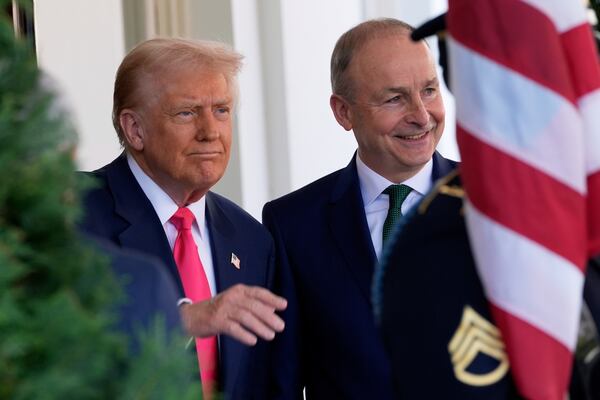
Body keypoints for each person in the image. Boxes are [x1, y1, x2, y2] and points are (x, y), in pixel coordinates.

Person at [80, 38, 287, 400]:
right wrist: (180, 321)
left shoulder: (251, 239)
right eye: (187, 113)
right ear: (135, 129)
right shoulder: (75, 212)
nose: (210, 131)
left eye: (221, 110)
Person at [262, 18, 457, 399]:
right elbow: (279, 383)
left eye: (429, 91)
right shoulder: (292, 225)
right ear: (343, 112)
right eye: (395, 98)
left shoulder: (491, 204)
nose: (421, 115)